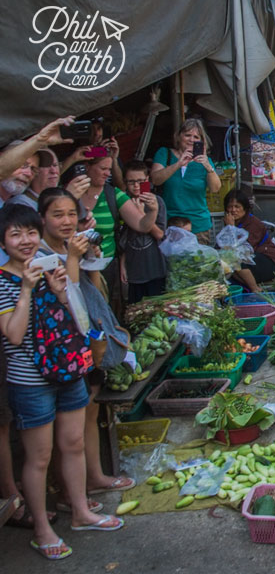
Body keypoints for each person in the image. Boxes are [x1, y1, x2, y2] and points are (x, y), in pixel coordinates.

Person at [0, 204, 122, 560]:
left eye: (30, 233)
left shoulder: (47, 265)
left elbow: (76, 317)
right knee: (39, 458)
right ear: (3, 241)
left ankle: (82, 511)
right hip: (30, 381)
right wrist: (26, 289)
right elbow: (14, 334)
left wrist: (57, 292)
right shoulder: (4, 281)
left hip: (67, 369)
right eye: (15, 234)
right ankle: (42, 528)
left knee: (72, 443)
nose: (25, 241)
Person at [36, 188, 136, 515]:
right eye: (57, 215)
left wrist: (88, 255)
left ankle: (95, 476)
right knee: (65, 433)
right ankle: (69, 492)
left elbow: (93, 286)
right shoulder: (40, 255)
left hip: (87, 339)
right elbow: (66, 297)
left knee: (90, 411)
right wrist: (74, 259)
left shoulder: (68, 246)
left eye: (71, 215)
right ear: (42, 219)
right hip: (62, 350)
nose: (66, 222)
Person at [78, 152, 159, 300]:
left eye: (109, 169)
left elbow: (142, 225)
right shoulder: (71, 193)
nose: (107, 173)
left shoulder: (113, 194)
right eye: (103, 168)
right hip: (76, 265)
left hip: (106, 266)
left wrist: (152, 211)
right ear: (87, 166)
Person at [150, 118, 221, 243]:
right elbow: (155, 180)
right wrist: (178, 164)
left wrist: (208, 166)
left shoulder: (205, 161)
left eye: (196, 137)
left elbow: (215, 188)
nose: (191, 140)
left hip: (198, 226)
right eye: (187, 135)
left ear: (202, 141)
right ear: (178, 137)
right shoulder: (164, 153)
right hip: (171, 223)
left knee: (197, 261)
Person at [119, 161, 166, 303]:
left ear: (148, 181)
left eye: (140, 181)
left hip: (155, 267)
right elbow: (122, 239)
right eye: (131, 182)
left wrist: (142, 214)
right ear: (125, 183)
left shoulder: (156, 201)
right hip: (133, 270)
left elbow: (160, 234)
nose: (136, 186)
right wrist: (122, 265)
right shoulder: (123, 203)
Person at [222, 190, 275, 294]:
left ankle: (255, 289)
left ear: (244, 208)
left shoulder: (253, 224)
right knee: (227, 265)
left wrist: (230, 227)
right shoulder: (233, 222)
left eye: (237, 207)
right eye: (230, 207)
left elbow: (242, 250)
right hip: (252, 261)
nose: (233, 210)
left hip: (268, 263)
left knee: (237, 261)